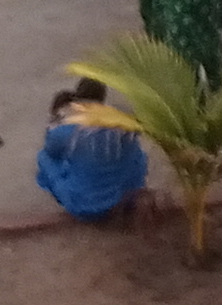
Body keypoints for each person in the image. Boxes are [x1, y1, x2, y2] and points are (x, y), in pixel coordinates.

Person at [36, 82, 145, 219]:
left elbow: (51, 151)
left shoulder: (65, 129)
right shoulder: (121, 122)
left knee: (44, 158)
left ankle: (72, 193)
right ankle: (127, 190)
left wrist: (54, 119)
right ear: (102, 97)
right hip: (123, 199)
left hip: (83, 206)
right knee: (137, 154)